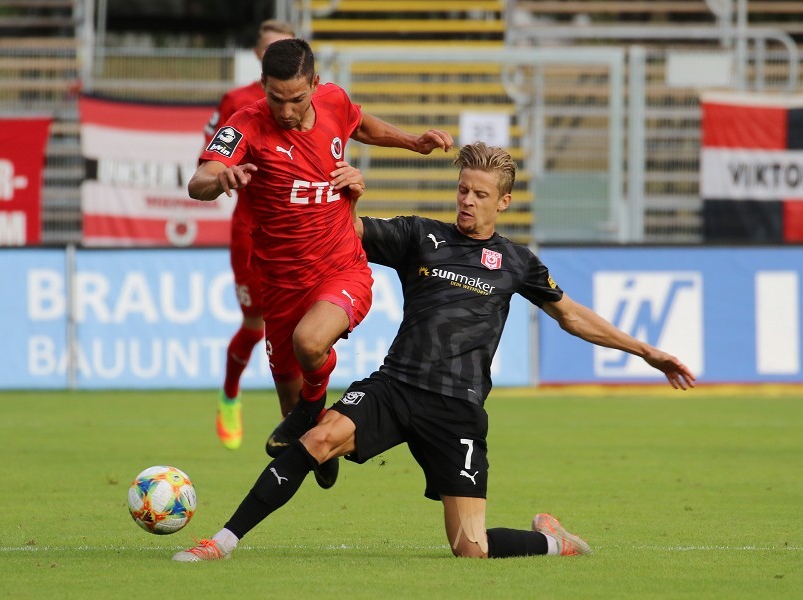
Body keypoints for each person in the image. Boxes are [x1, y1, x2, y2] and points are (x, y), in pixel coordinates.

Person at [173, 142, 696, 562]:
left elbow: (572, 316)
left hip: (457, 408)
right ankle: (221, 543)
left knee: (471, 549)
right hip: (397, 386)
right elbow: (344, 232)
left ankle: (552, 539)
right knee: (318, 438)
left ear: (504, 202)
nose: (467, 200)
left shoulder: (517, 262)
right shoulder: (420, 236)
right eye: (463, 189)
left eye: (481, 194)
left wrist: (646, 351)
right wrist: (340, 195)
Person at [189, 38, 453, 486]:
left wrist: (413, 142)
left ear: (314, 84)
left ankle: (315, 408)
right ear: (263, 87)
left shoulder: (334, 99)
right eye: (275, 98)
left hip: (341, 268)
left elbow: (360, 124)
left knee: (310, 343)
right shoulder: (246, 126)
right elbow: (200, 180)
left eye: (296, 99)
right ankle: (315, 424)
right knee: (293, 415)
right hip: (281, 282)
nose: (286, 111)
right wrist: (222, 179)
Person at [202, 19, 295, 451]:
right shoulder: (237, 104)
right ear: (259, 58)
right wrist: (227, 175)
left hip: (299, 231)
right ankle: (230, 395)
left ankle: (304, 416)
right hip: (251, 231)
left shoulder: (310, 101)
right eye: (269, 48)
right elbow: (210, 164)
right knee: (255, 325)